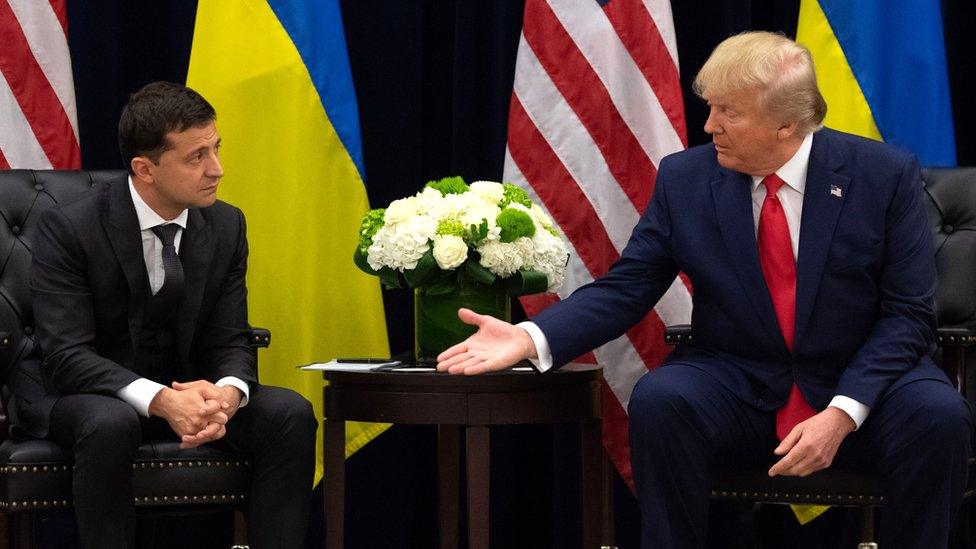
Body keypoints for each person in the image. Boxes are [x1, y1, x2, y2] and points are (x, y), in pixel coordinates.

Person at [437, 32, 972, 548]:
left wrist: (841, 411)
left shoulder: (882, 175)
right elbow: (629, 286)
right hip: (741, 382)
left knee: (938, 415)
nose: (710, 125)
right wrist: (529, 337)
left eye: (730, 113)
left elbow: (907, 316)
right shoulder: (685, 178)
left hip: (862, 384)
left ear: (788, 124)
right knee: (664, 399)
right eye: (711, 107)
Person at [9, 81, 316, 548]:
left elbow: (231, 337)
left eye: (215, 148)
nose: (217, 169)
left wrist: (227, 395)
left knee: (289, 412)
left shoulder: (226, 224)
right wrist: (160, 400)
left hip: (188, 390)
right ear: (144, 168)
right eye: (197, 157)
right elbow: (67, 356)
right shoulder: (70, 227)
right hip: (82, 394)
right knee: (110, 422)